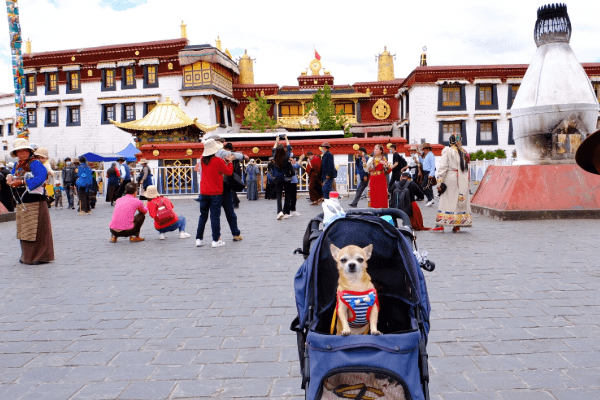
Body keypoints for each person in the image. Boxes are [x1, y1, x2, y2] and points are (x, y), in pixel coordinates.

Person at [6, 138, 54, 264]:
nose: (22, 153)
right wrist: (10, 178)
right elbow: (12, 174)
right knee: (25, 229)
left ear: (29, 151)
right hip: (23, 202)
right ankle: (27, 256)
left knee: (37, 230)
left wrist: (22, 182)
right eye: (19, 151)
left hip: (36, 201)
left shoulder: (35, 163)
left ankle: (40, 256)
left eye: (24, 151)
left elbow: (41, 178)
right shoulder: (17, 165)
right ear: (16, 154)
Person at [195, 138, 234, 248]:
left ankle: (199, 239)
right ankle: (215, 240)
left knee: (203, 216)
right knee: (215, 217)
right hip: (215, 192)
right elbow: (228, 172)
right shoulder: (218, 160)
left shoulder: (202, 159)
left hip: (203, 192)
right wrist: (230, 162)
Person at [433, 133, 472, 233]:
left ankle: (440, 225)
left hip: (451, 178)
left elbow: (443, 166)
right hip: (462, 179)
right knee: (459, 201)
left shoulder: (448, 151)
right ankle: (457, 225)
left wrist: (439, 180)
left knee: (446, 201)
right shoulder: (464, 153)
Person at [212, 137, 246, 241]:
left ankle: (216, 237)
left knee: (215, 214)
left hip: (212, 186)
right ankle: (235, 233)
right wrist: (244, 156)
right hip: (223, 184)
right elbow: (232, 156)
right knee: (229, 211)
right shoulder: (220, 152)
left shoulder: (206, 155)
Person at [271, 134, 292, 220]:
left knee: (279, 195)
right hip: (286, 177)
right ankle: (286, 212)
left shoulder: (275, 157)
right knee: (287, 195)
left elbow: (273, 149)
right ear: (284, 149)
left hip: (278, 178)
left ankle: (279, 211)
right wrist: (286, 138)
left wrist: (276, 140)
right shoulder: (286, 156)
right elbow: (289, 147)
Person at [365, 144, 391, 208]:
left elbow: (389, 170)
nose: (375, 150)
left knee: (381, 195)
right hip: (373, 178)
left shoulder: (383, 158)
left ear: (381, 151)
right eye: (374, 149)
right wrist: (364, 164)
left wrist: (386, 165)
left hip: (381, 178)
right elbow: (366, 169)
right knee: (374, 195)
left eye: (377, 149)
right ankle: (374, 209)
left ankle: (383, 209)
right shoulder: (371, 159)